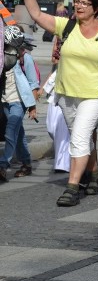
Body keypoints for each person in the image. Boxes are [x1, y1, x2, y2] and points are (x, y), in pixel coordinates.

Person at [11, 0, 98, 206]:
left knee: (79, 138)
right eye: (77, 2)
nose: (78, 6)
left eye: (84, 3)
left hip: (94, 94)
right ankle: (94, 173)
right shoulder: (66, 26)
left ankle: (72, 186)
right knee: (82, 138)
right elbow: (35, 14)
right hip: (66, 94)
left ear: (96, 8)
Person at [0, 25, 39, 182]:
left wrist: (32, 106)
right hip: (4, 102)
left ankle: (3, 165)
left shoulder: (24, 57)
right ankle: (27, 163)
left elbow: (33, 83)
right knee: (18, 133)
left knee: (10, 131)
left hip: (18, 102)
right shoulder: (2, 57)